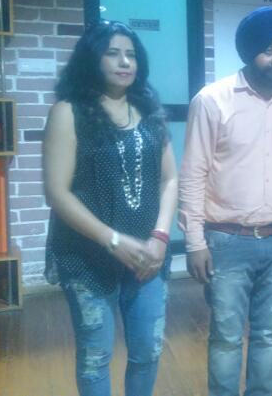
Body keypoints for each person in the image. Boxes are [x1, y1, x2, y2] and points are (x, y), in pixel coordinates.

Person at [178, 6, 272, 396]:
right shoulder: (212, 100)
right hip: (226, 241)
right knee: (226, 338)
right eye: (269, 50)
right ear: (250, 50)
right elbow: (193, 173)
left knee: (269, 336)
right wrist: (194, 242)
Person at [43, 20, 177, 396]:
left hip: (147, 255)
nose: (125, 62)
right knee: (95, 356)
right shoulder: (69, 112)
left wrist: (161, 236)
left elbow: (170, 179)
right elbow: (57, 193)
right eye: (113, 53)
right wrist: (112, 240)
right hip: (86, 255)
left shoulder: (149, 111)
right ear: (92, 58)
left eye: (131, 54)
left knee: (148, 352)